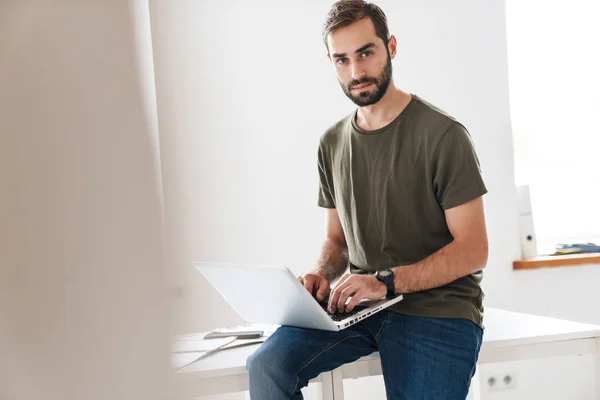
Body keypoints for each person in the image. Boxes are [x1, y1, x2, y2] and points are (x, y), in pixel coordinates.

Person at [246, 1, 489, 398]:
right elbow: (337, 240)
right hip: (360, 309)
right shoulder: (332, 142)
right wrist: (321, 275)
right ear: (330, 61)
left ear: (390, 47)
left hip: (438, 311)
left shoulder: (444, 136)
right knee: (266, 366)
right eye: (341, 60)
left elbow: (474, 250)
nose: (356, 72)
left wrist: (385, 282)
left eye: (366, 53)